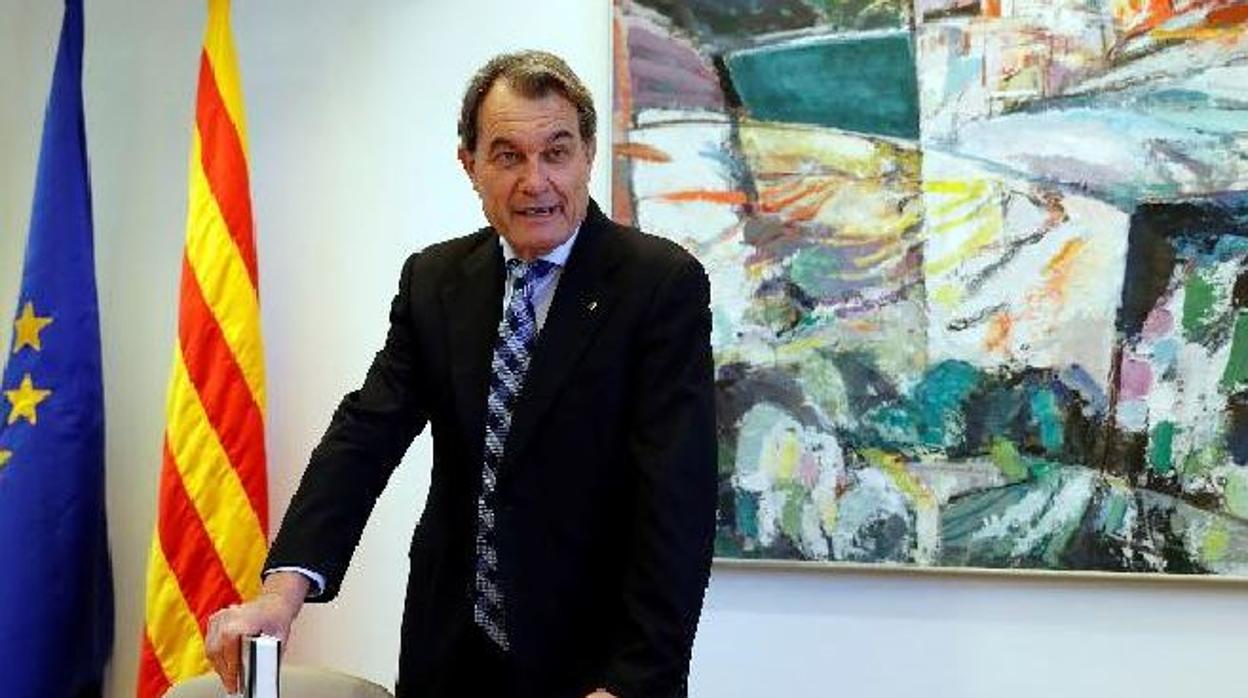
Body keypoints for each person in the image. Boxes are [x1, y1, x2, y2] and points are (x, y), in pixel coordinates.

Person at [203, 50, 717, 698]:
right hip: (447, 656)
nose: (535, 181)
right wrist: (282, 592)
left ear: (588, 154)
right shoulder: (436, 280)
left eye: (556, 153)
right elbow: (364, 437)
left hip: (593, 664)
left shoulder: (659, 285)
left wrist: (635, 682)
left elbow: (678, 501)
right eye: (508, 156)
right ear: (469, 165)